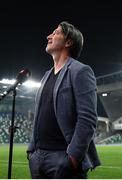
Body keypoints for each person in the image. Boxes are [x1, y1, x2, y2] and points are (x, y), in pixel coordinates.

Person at [27, 21, 101, 179]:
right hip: (37, 158)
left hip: (63, 158)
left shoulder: (81, 71)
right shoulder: (46, 75)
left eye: (55, 33)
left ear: (68, 42)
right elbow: (38, 115)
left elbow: (87, 118)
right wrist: (31, 151)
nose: (49, 36)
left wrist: (73, 158)